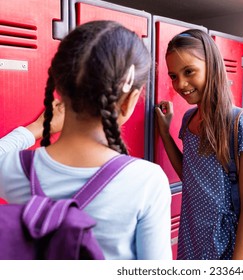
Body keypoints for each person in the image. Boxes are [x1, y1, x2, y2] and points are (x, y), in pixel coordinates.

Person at [0, 20, 172, 260]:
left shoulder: (13, 168)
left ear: (58, 87)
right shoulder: (147, 181)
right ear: (129, 102)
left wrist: (37, 128)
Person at [155, 29, 243, 260]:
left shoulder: (241, 122)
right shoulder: (188, 120)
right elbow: (189, 175)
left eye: (189, 71)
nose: (181, 84)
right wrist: (165, 132)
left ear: (212, 66)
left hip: (226, 242)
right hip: (192, 232)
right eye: (173, 76)